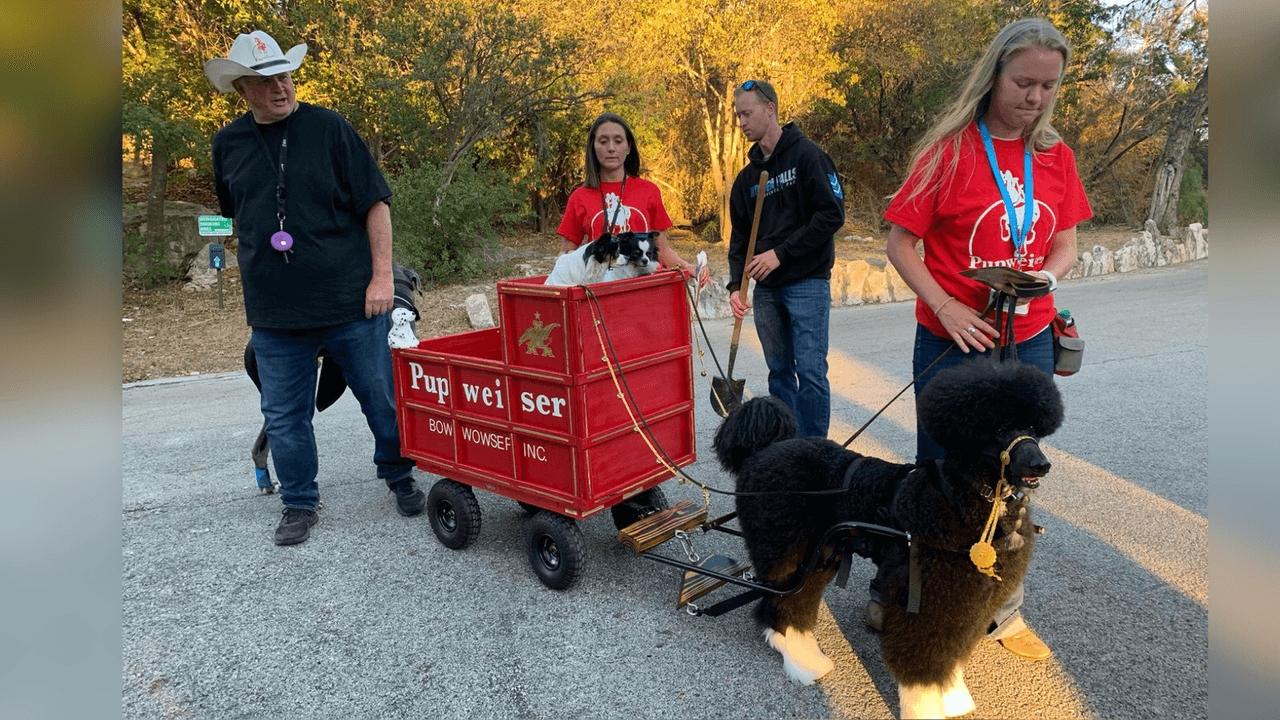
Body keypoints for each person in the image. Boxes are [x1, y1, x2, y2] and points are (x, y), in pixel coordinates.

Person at [881, 18, 1093, 660]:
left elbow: (1066, 242)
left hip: (1026, 337)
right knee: (942, 477)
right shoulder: (948, 151)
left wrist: (1044, 278)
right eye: (1023, 82)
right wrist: (943, 305)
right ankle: (907, 599)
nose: (1035, 98)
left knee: (1016, 476)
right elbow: (899, 242)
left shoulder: (1056, 155)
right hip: (955, 337)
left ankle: (1000, 606)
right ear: (993, 75)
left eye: (1048, 86)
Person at [205, 30, 425, 546]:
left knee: (382, 400)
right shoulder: (227, 144)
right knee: (284, 416)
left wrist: (380, 278)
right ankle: (299, 501)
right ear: (242, 88)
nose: (281, 86)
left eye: (285, 75)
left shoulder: (330, 128)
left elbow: (376, 205)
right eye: (266, 80)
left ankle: (398, 474)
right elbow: (237, 214)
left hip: (351, 300)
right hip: (275, 313)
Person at [726, 80, 845, 440]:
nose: (742, 122)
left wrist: (780, 254)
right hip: (766, 291)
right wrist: (735, 285)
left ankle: (814, 452)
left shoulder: (808, 156)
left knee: (810, 371)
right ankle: (788, 449)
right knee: (778, 371)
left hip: (807, 281)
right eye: (738, 116)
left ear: (770, 108)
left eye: (747, 113)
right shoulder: (745, 179)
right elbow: (740, 239)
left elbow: (831, 214)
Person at [556, 112, 710, 288]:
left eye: (618, 141)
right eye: (603, 141)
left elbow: (663, 250)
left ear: (628, 147)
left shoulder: (648, 191)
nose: (611, 148)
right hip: (600, 291)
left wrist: (689, 267)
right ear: (593, 147)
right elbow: (566, 255)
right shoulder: (579, 197)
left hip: (646, 287)